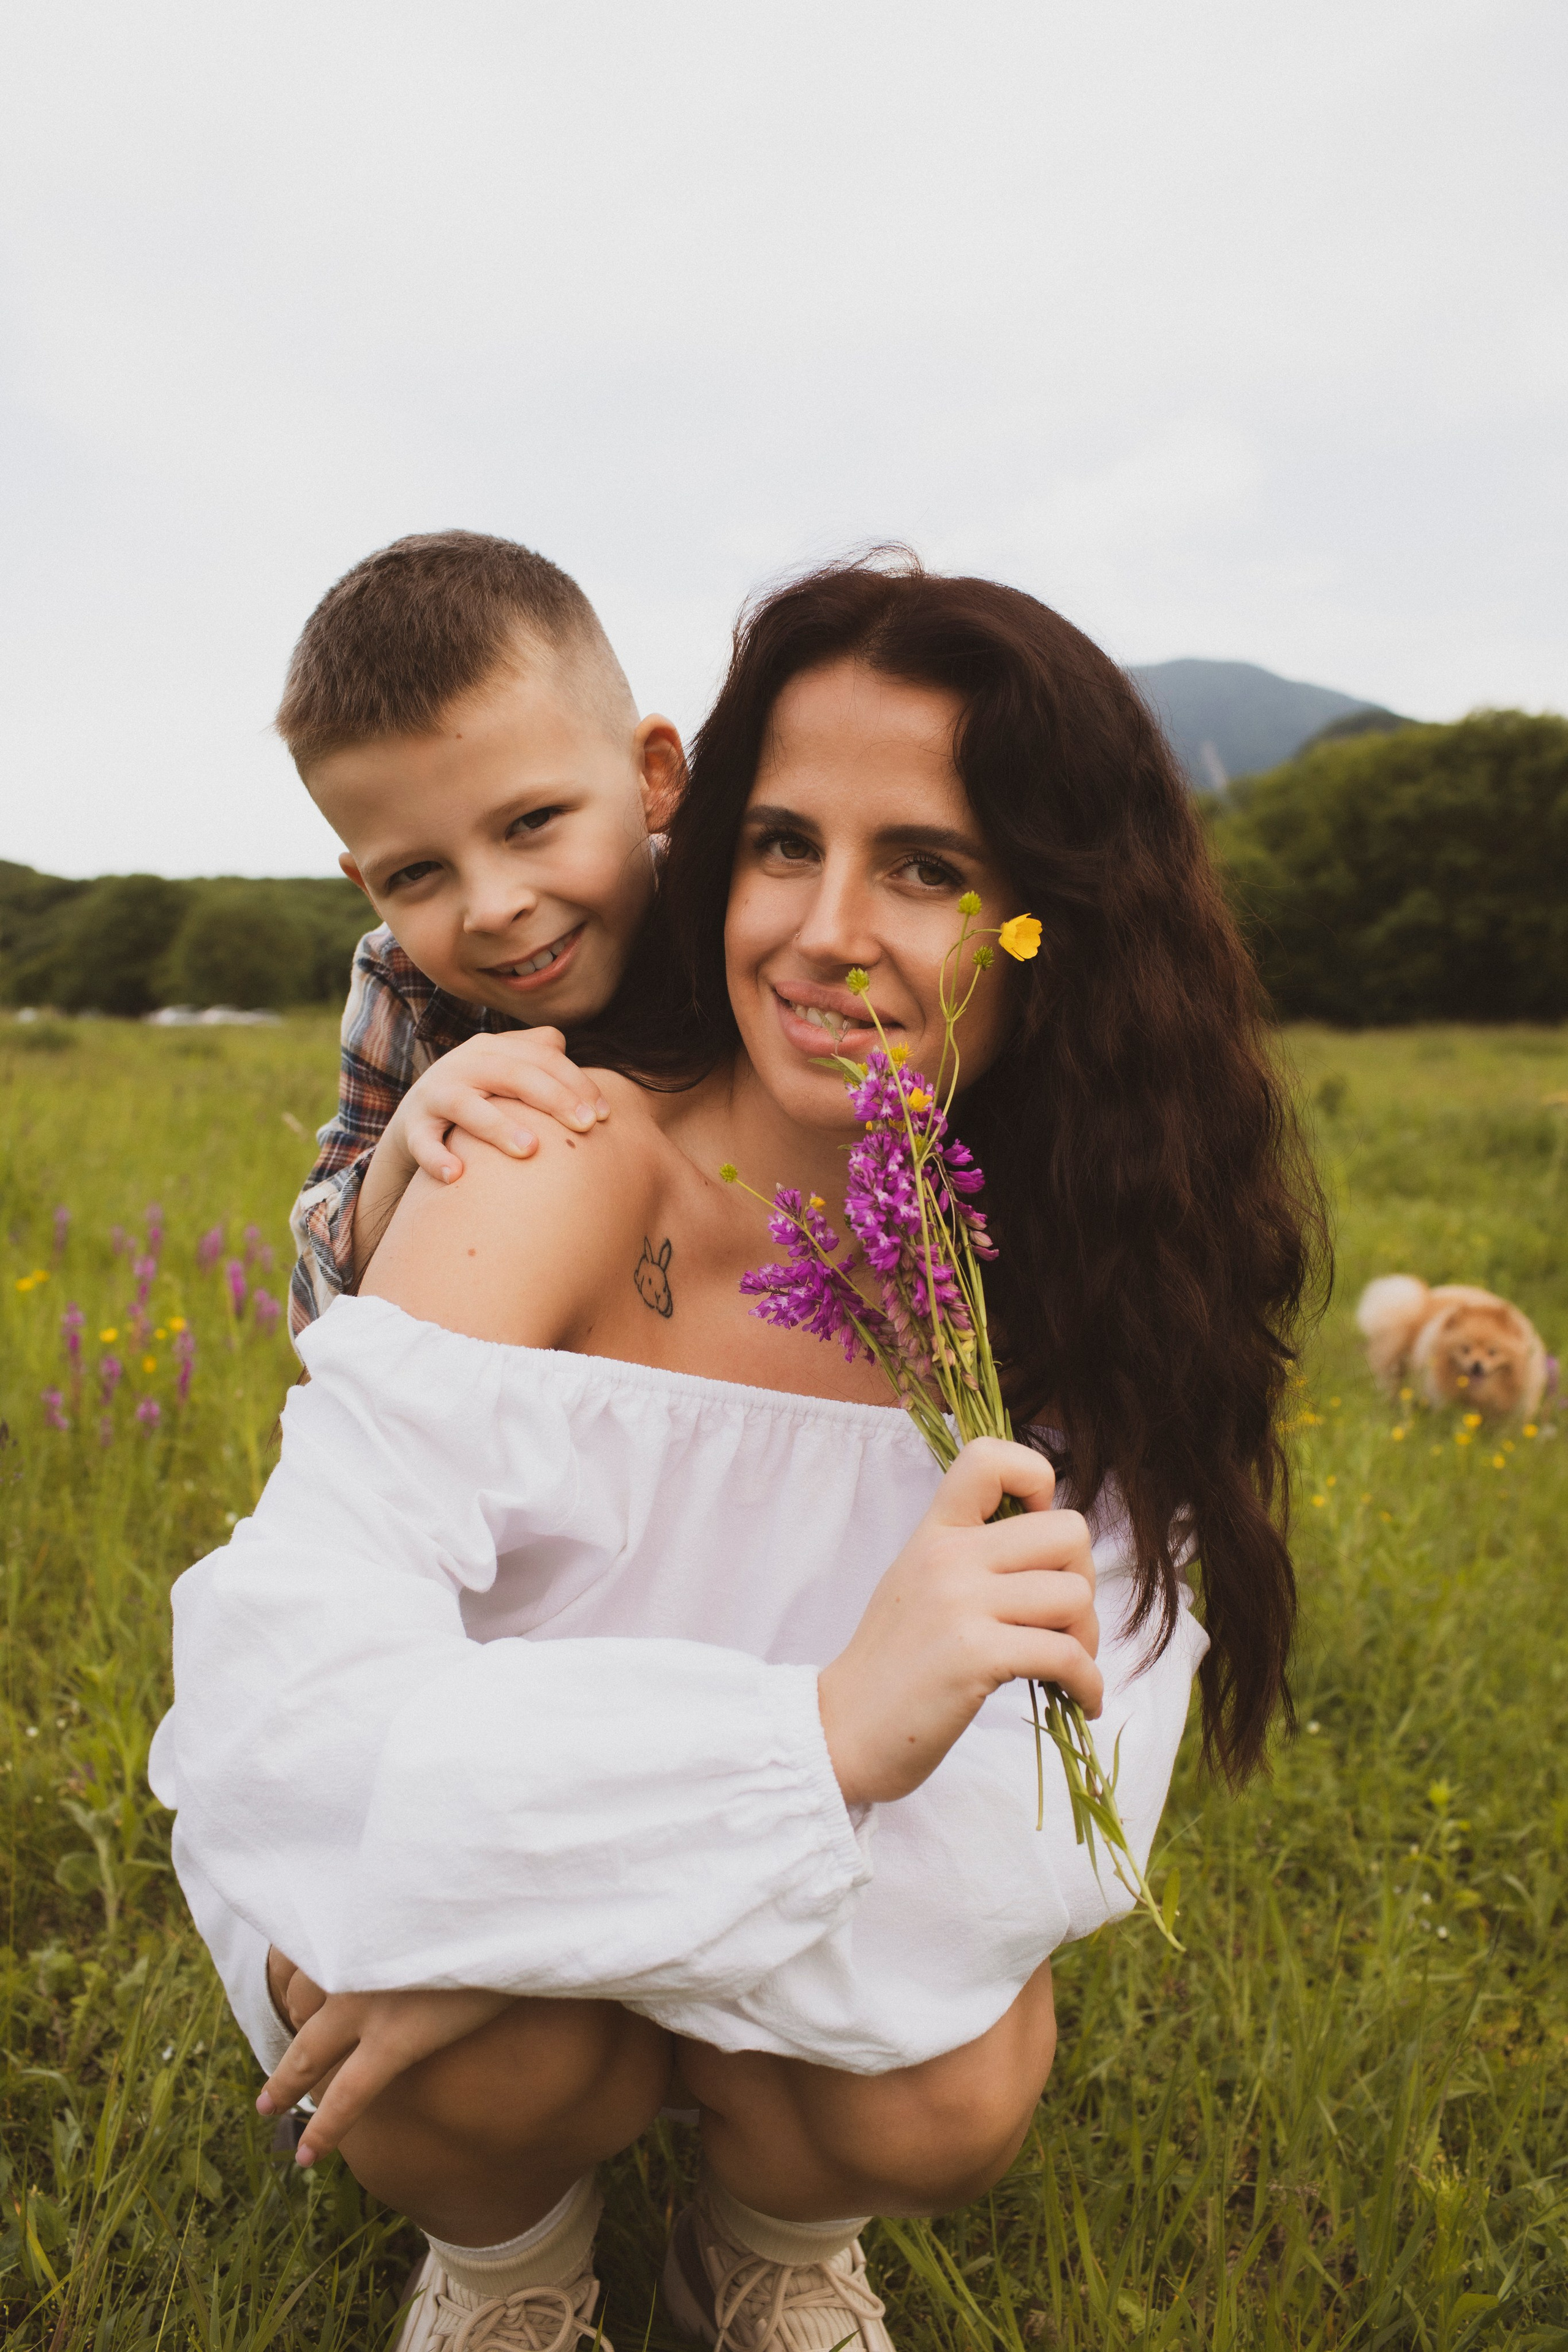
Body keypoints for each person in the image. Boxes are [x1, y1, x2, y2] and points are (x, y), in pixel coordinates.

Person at [150, 557, 1325, 2352]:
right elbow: (282, 1712)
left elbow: (1026, 1846)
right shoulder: (539, 1146)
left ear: (1062, 918)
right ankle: (511, 2266)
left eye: (925, 866)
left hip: (580, 1863)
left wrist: (508, 1902)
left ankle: (768, 2238)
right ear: (710, 845)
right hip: (633, 1906)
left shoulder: (1096, 1278)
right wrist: (817, 1750)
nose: (823, 931)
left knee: (939, 2086)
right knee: (457, 2043)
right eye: (782, 845)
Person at [277, 529, 686, 1341]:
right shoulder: (403, 978)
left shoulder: (739, 921)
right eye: (416, 872)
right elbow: (321, 1326)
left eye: (532, 821)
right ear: (368, 888)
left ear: (654, 775)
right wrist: (404, 1148)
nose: (492, 909)